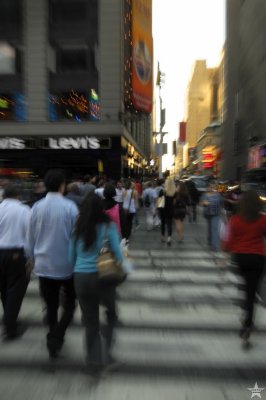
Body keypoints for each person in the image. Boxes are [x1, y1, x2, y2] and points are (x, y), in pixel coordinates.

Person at [69, 194, 125, 372]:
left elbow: (71, 257)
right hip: (103, 277)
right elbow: (118, 253)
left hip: (80, 278)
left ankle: (93, 359)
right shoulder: (108, 226)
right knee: (112, 315)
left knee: (90, 321)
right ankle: (107, 354)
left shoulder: (78, 228)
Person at [27, 169, 79, 358]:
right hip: (67, 265)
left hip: (44, 265)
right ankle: (57, 335)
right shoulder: (70, 208)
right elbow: (76, 237)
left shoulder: (36, 207)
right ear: (61, 186)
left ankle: (52, 334)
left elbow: (30, 237)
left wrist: (30, 257)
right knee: (70, 305)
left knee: (50, 306)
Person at [224, 190, 266, 347]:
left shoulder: (235, 219)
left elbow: (228, 241)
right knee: (252, 292)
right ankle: (247, 326)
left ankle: (246, 314)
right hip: (258, 258)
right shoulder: (263, 219)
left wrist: (226, 255)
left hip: (241, 259)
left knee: (247, 288)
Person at [0, 184, 31, 340]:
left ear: (4, 196)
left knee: (4, 288)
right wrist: (30, 256)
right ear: (18, 196)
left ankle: (9, 319)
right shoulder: (24, 210)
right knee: (15, 289)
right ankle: (10, 326)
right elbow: (29, 235)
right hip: (16, 254)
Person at [201, 182, 223, 251]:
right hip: (208, 213)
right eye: (210, 187)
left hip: (216, 214)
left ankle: (214, 245)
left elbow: (221, 203)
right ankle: (210, 241)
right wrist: (204, 203)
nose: (212, 188)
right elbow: (201, 202)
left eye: (213, 187)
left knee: (214, 228)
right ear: (208, 187)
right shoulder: (205, 195)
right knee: (210, 228)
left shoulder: (218, 195)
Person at [159, 176, 176, 245]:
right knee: (169, 224)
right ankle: (169, 238)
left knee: (163, 223)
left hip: (163, 209)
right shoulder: (174, 192)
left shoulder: (162, 191)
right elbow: (174, 202)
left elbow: (159, 200)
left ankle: (163, 237)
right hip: (170, 209)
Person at [122, 180, 138, 244]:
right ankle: (128, 234)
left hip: (125, 208)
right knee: (130, 222)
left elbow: (123, 199)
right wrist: (136, 208)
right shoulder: (134, 192)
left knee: (125, 222)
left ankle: (125, 236)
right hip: (131, 209)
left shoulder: (124, 192)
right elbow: (135, 201)